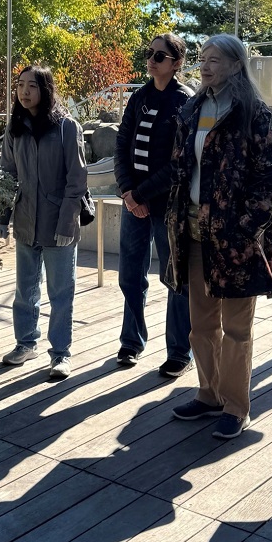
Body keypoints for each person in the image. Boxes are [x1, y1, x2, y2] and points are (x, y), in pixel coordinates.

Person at [163, 34, 272, 440]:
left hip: (235, 241)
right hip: (194, 232)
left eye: (214, 60)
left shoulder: (252, 112)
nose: (205, 66)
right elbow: (181, 166)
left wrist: (246, 228)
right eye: (202, 59)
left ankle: (235, 406)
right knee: (201, 325)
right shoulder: (193, 108)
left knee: (236, 329)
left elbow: (271, 178)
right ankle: (209, 394)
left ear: (235, 65)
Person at [0, 65, 88, 380]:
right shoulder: (15, 128)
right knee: (25, 290)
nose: (24, 91)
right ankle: (25, 344)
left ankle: (61, 354)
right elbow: (7, 175)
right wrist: (2, 216)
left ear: (45, 89)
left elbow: (77, 181)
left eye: (31, 85)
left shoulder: (66, 128)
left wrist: (66, 224)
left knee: (60, 293)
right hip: (25, 221)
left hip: (57, 223)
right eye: (20, 85)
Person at [112, 33, 194, 377]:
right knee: (130, 274)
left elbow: (181, 161)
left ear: (177, 63)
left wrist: (141, 194)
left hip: (167, 204)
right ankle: (131, 342)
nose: (151, 60)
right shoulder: (140, 97)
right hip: (134, 202)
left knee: (174, 278)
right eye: (150, 53)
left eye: (160, 56)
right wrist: (128, 192)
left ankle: (179, 351)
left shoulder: (185, 101)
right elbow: (122, 144)